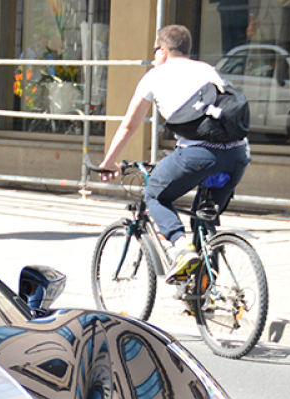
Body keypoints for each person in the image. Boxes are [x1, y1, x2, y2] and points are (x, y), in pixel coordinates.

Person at [97, 24, 250, 281]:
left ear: (164, 51)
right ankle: (205, 289)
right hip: (238, 155)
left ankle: (180, 247)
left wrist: (109, 162)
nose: (155, 55)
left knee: (154, 193)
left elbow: (129, 125)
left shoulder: (155, 76)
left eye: (155, 49)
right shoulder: (207, 69)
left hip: (199, 155)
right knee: (204, 216)